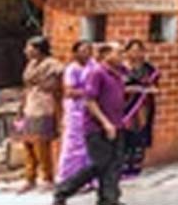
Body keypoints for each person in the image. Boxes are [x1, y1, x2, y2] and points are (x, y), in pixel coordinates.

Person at [53, 43, 127, 205]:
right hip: (98, 127)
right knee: (99, 163)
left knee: (114, 163)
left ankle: (108, 199)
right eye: (119, 53)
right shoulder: (97, 73)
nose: (123, 56)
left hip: (117, 124)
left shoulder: (118, 74)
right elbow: (90, 101)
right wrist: (105, 123)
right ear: (106, 54)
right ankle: (63, 190)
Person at [17, 36, 62, 192]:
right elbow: (27, 86)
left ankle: (47, 177)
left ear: (38, 49)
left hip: (43, 106)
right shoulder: (31, 64)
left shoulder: (52, 65)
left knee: (41, 143)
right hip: (30, 105)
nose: (26, 51)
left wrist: (40, 85)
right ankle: (30, 177)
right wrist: (21, 108)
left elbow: (54, 84)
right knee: (27, 143)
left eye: (29, 48)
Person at [56, 40, 95, 185]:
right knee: (73, 145)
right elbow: (69, 91)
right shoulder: (72, 69)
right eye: (83, 50)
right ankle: (68, 179)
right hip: (76, 111)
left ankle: (89, 179)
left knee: (90, 144)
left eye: (89, 50)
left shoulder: (94, 66)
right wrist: (89, 92)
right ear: (75, 53)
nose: (87, 53)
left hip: (91, 109)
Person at [121, 39, 160, 176]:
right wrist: (134, 89)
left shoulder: (149, 69)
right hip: (126, 106)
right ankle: (124, 166)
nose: (136, 54)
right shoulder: (121, 69)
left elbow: (154, 87)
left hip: (143, 106)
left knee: (140, 133)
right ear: (126, 52)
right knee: (126, 134)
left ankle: (136, 165)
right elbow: (119, 88)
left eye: (139, 50)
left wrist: (148, 90)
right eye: (132, 50)